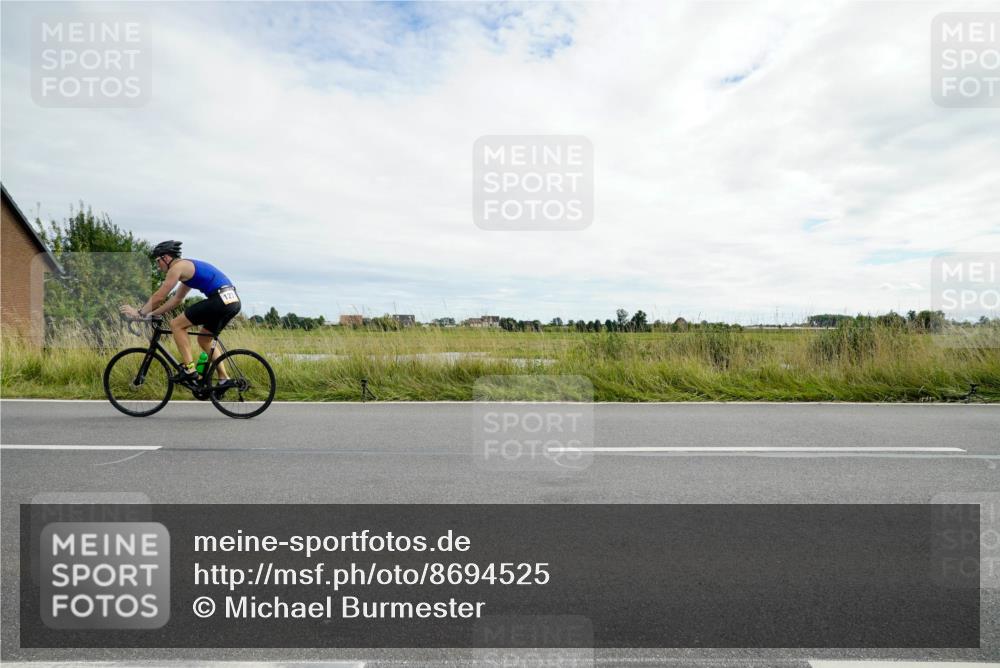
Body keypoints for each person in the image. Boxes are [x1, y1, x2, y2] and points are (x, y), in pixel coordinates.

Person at [120, 240, 240, 383]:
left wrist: (138, 313)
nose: (158, 266)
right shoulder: (187, 269)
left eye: (158, 261)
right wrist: (151, 314)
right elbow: (177, 299)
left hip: (219, 300)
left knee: (176, 324)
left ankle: (190, 369)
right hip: (232, 302)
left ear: (167, 258)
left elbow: (160, 295)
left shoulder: (177, 267)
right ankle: (223, 378)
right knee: (204, 339)